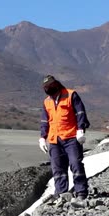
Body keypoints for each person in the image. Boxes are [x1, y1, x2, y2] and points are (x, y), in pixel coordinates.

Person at [39, 75, 90, 205]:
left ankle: (81, 192)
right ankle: (61, 193)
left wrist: (80, 129)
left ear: (56, 85)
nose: (49, 90)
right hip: (54, 139)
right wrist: (42, 137)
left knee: (75, 164)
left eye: (50, 87)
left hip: (71, 137)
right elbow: (45, 121)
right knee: (57, 167)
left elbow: (80, 113)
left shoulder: (71, 95)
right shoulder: (47, 102)